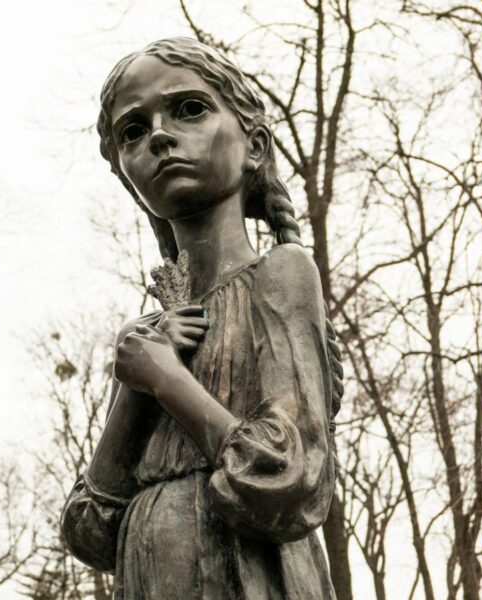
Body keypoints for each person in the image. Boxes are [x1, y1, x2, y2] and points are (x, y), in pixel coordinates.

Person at [60, 37, 343, 599]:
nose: (158, 136)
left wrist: (167, 380)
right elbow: (91, 531)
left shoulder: (282, 274)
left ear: (254, 145)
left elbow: (292, 478)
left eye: (189, 109)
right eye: (132, 131)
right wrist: (137, 386)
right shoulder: (145, 338)